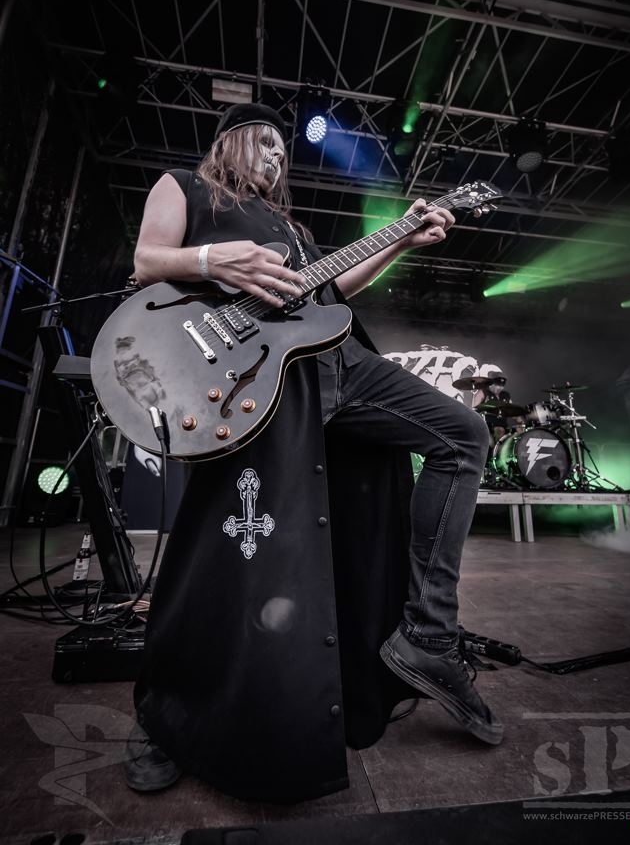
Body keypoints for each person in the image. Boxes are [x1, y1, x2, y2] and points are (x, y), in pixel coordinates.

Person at [123, 102, 502, 800]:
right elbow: (147, 261)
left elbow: (328, 291)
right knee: (226, 547)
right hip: (250, 379)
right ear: (230, 142)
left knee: (462, 434)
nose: (277, 155)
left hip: (337, 362)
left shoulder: (293, 230)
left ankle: (428, 634)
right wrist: (211, 258)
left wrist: (401, 238)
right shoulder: (187, 186)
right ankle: (174, 717)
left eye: (282, 148)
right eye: (264, 142)